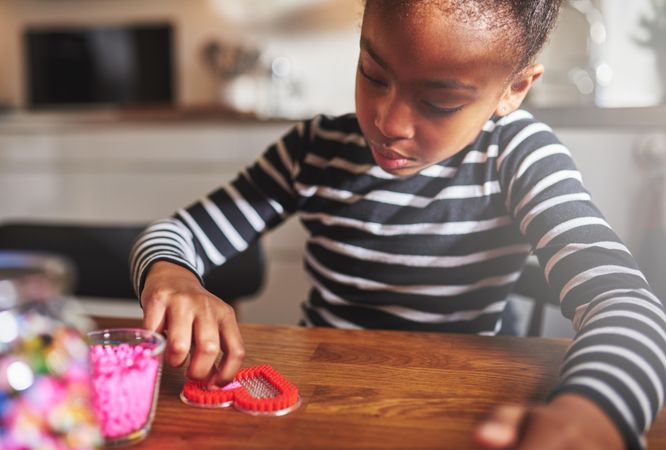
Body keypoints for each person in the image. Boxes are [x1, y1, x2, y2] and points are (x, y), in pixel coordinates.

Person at [130, 1, 665, 448]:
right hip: (320, 404)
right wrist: (173, 276)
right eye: (372, 74)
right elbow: (173, 233)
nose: (389, 123)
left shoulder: (516, 155)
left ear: (514, 89)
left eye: (440, 101)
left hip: (453, 412)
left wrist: (594, 415)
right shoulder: (313, 150)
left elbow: (629, 307)